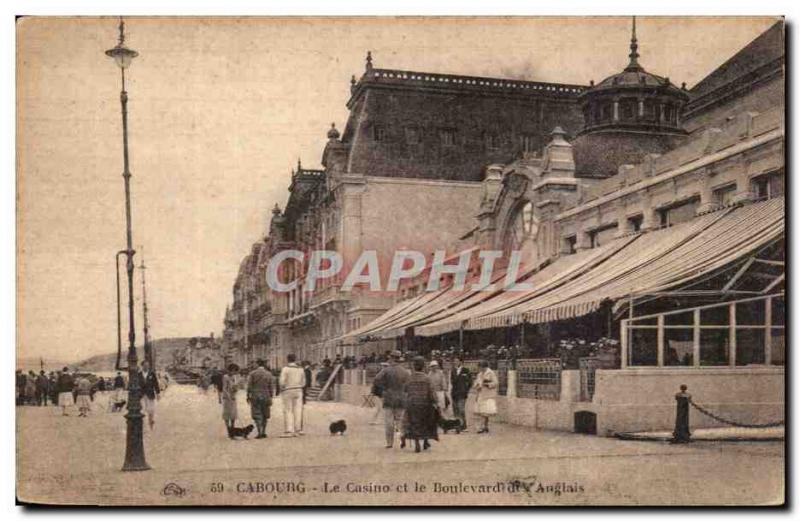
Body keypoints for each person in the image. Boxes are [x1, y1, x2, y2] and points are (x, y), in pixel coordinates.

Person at [372, 351, 410, 448]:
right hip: (401, 398)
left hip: (389, 397)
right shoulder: (405, 371)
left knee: (389, 422)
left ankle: (389, 443)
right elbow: (408, 385)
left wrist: (384, 388)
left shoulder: (386, 370)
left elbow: (376, 380)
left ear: (391, 358)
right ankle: (402, 437)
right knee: (400, 421)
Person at [403, 357, 439, 453]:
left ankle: (417, 442)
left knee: (414, 423)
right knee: (426, 422)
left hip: (412, 404)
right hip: (425, 404)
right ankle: (426, 441)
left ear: (414, 367)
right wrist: (436, 402)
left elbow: (405, 390)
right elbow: (432, 392)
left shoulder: (409, 378)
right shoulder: (427, 378)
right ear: (423, 367)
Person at [279, 354, 306, 437]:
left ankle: (289, 430)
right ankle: (298, 429)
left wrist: (282, 388)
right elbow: (304, 382)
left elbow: (282, 381)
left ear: (287, 359)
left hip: (288, 390)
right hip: (298, 390)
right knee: (298, 410)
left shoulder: (285, 369)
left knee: (288, 410)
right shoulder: (301, 369)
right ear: (295, 359)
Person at [247, 359, 274, 439]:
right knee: (265, 414)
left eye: (255, 363)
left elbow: (249, 386)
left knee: (257, 414)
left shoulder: (252, 374)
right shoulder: (269, 374)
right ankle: (264, 431)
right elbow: (271, 387)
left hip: (255, 396)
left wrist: (248, 395)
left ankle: (260, 432)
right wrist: (271, 396)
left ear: (258, 364)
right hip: (266, 395)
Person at [473, 360, 498, 434]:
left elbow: (496, 383)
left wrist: (487, 384)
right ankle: (485, 427)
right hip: (481, 393)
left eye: (481, 367)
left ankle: (483, 427)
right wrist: (477, 386)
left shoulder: (491, 373)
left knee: (486, 412)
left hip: (488, 394)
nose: (481, 369)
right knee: (482, 412)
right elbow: (476, 382)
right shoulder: (480, 374)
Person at [450, 356, 472, 431]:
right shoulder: (453, 371)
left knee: (461, 409)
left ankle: (463, 424)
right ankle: (457, 425)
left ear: (461, 362)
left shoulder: (466, 370)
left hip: (462, 393)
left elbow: (470, 382)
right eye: (454, 361)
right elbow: (452, 381)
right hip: (454, 393)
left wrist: (466, 390)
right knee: (455, 409)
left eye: (457, 361)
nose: (455, 362)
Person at [139, 360, 161, 430]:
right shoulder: (138, 374)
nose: (146, 367)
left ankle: (151, 424)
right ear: (142, 366)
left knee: (151, 410)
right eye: (145, 366)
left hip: (150, 394)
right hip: (141, 395)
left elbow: (156, 384)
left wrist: (158, 393)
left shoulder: (152, 374)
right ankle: (143, 427)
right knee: (142, 410)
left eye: (147, 366)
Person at [221, 363, 240, 436]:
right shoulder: (225, 377)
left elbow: (235, 387)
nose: (235, 373)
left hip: (233, 397)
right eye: (234, 371)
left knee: (233, 414)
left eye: (236, 372)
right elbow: (224, 388)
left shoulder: (234, 377)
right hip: (227, 398)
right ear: (230, 370)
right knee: (227, 414)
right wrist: (229, 396)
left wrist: (236, 389)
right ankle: (228, 428)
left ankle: (232, 427)